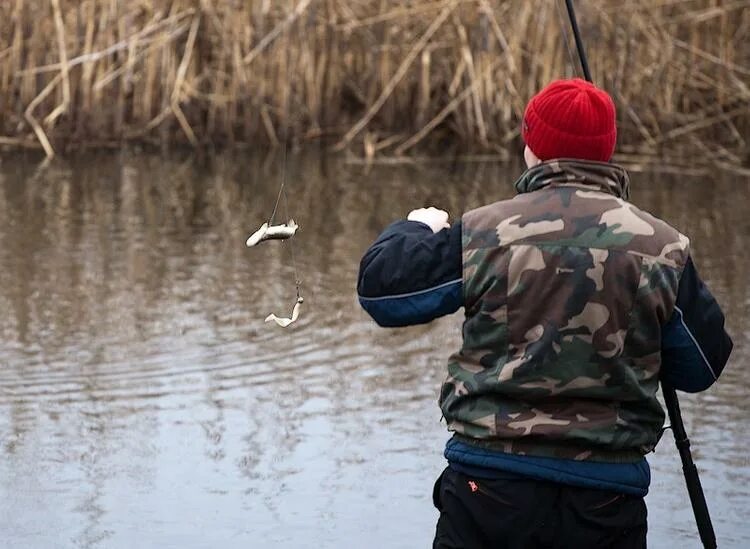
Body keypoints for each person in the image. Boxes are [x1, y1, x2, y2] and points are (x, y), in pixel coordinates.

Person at [356, 78, 733, 548]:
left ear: (531, 146)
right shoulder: (663, 247)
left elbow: (382, 293)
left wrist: (415, 228)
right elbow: (703, 366)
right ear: (607, 150)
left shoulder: (486, 231)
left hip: (488, 493)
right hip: (607, 503)